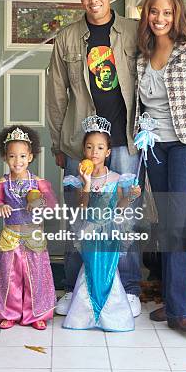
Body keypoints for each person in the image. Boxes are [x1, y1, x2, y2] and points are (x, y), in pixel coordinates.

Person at [46, 0, 186, 317]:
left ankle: (130, 288)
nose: (94, 0)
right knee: (79, 217)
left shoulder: (134, 32)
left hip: (126, 143)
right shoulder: (68, 38)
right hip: (80, 142)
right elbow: (56, 94)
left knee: (127, 218)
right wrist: (58, 142)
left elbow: (171, 35)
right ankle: (77, 289)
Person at [135, 0, 186, 332]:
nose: (160, 19)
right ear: (147, 15)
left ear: (176, 15)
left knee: (180, 224)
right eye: (154, 12)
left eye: (167, 13)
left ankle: (182, 311)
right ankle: (171, 303)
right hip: (153, 148)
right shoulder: (141, 54)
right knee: (165, 224)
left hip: (183, 147)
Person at [63, 115, 142, 332]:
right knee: (89, 270)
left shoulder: (117, 178)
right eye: (89, 147)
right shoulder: (78, 180)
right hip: (89, 232)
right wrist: (86, 184)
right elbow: (82, 207)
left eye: (99, 148)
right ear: (83, 151)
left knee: (108, 272)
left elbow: (120, 206)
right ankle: (84, 314)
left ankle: (111, 315)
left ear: (108, 152)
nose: (94, 152)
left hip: (109, 235)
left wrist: (131, 196)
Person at [0, 125, 57, 330]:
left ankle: (37, 313)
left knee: (35, 275)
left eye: (22, 156)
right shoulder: (1, 183)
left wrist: (39, 202)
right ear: (4, 157)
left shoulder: (38, 183)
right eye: (12, 156)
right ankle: (9, 312)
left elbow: (51, 203)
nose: (17, 162)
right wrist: (0, 206)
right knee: (10, 275)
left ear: (31, 157)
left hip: (32, 236)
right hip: (11, 236)